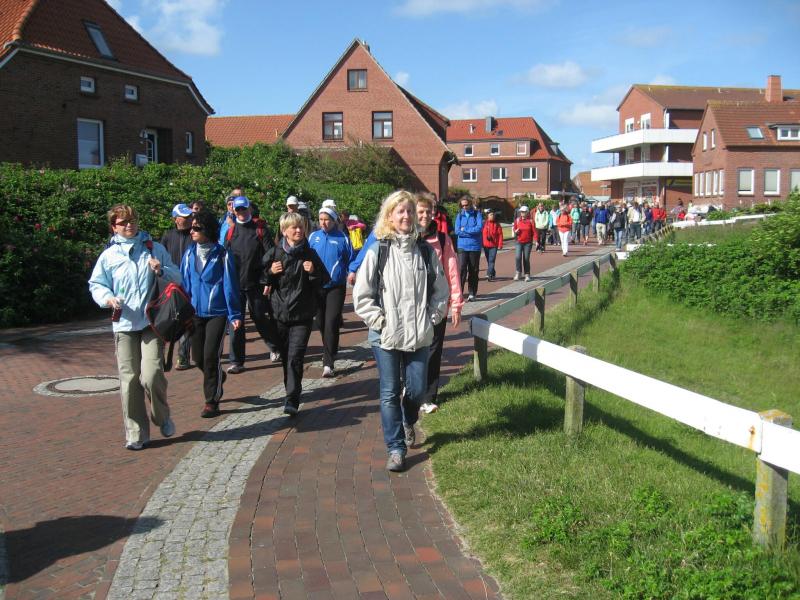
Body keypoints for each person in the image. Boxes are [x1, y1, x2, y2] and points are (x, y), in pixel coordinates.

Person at [353, 190, 449, 472]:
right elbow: (362, 295)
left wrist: (431, 319)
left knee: (417, 390)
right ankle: (395, 449)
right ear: (390, 216)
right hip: (386, 335)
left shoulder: (426, 251)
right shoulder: (378, 250)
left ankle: (409, 419)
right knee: (389, 391)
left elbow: (441, 291)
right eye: (400, 211)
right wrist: (379, 322)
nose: (406, 216)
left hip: (419, 332)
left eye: (409, 211)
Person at [89, 204, 181, 450]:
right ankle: (136, 433)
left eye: (132, 220)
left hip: (151, 322)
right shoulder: (109, 256)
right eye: (123, 222)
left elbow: (178, 277)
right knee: (129, 381)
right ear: (114, 227)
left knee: (151, 375)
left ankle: (162, 416)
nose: (129, 225)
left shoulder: (154, 248)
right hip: (124, 324)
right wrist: (108, 298)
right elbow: (96, 284)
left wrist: (161, 270)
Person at [260, 212, 329, 416]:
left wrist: (313, 271)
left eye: (301, 227)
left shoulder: (310, 254)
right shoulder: (274, 253)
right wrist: (270, 273)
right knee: (286, 357)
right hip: (279, 314)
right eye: (294, 227)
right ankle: (290, 388)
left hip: (302, 315)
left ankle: (292, 398)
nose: (299, 230)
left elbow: (324, 280)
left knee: (295, 356)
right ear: (284, 231)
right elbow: (260, 278)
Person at [180, 210, 243, 418]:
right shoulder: (189, 254)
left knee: (210, 356)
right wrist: (183, 310)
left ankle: (211, 402)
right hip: (195, 313)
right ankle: (217, 375)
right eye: (191, 228)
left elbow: (230, 286)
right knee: (198, 357)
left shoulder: (222, 254)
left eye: (197, 228)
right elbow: (184, 284)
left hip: (218, 312)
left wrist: (235, 315)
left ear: (208, 230)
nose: (192, 231)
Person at [416, 194, 463, 414]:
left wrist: (456, 303)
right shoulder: (404, 238)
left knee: (434, 351)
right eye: (420, 211)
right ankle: (411, 389)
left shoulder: (443, 240)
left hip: (437, 303)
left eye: (428, 211)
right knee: (413, 349)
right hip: (411, 305)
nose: (425, 215)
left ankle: (428, 396)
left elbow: (452, 272)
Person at [224, 195, 280, 373]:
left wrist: (268, 279)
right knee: (236, 321)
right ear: (234, 211)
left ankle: (275, 347)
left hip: (256, 282)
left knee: (260, 317)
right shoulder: (230, 232)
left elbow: (271, 254)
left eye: (243, 208)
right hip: (235, 284)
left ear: (249, 208)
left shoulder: (260, 229)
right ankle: (236, 361)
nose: (241, 212)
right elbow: (225, 257)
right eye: (238, 209)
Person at [309, 206, 353, 378]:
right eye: (321, 219)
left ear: (334, 221)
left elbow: (351, 259)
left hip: (336, 286)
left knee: (332, 321)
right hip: (317, 286)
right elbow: (306, 256)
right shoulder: (313, 237)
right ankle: (331, 348)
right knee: (320, 322)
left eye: (327, 219)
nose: (323, 223)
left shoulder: (343, 238)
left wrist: (351, 272)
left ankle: (328, 363)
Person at [161, 203, 195, 370]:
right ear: (175, 219)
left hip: (190, 284)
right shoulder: (168, 236)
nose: (187, 219)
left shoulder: (195, 235)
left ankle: (183, 357)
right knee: (167, 319)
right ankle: (161, 356)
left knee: (187, 319)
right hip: (171, 286)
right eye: (184, 217)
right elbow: (161, 258)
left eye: (189, 216)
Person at [454, 196, 483, 301]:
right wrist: (470, 233)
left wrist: (465, 229)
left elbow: (479, 228)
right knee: (461, 269)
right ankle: (460, 293)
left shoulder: (477, 214)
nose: (464, 207)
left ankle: (472, 293)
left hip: (474, 246)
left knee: (473, 270)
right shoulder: (459, 215)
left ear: (470, 204)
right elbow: (457, 231)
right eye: (462, 205)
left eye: (466, 205)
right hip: (462, 246)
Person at [513, 205, 535, 281]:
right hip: (519, 242)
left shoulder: (531, 221)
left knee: (526, 258)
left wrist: (536, 241)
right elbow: (514, 229)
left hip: (528, 243)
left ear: (527, 212)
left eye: (524, 212)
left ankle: (527, 274)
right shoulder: (517, 220)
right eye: (521, 212)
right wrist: (515, 231)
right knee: (518, 257)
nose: (522, 213)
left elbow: (534, 231)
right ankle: (518, 272)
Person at [481, 209, 503, 282]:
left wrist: (500, 244)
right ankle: (493, 273)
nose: (492, 216)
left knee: (492, 260)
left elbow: (500, 235)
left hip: (494, 246)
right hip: (485, 245)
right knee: (489, 261)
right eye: (490, 215)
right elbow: (480, 234)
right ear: (487, 216)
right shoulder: (484, 223)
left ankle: (489, 274)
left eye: (493, 214)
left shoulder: (497, 224)